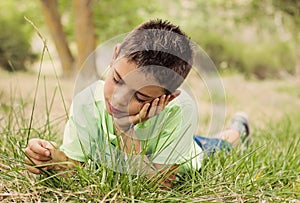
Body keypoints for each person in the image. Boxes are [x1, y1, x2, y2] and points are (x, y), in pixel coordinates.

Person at [25, 19, 249, 187]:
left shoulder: (181, 110)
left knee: (220, 145)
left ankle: (238, 127)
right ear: (114, 56)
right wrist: (50, 159)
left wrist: (126, 129)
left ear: (168, 97)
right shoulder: (86, 103)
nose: (118, 99)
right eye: (116, 79)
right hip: (161, 148)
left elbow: (157, 185)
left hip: (186, 152)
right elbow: (75, 166)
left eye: (139, 97)